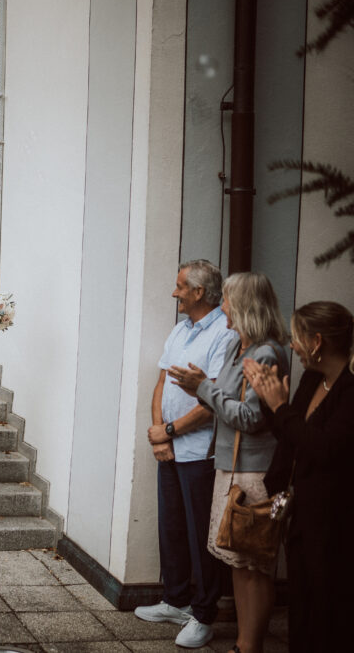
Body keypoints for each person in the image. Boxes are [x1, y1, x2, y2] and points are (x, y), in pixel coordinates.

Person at [168, 272, 288, 653]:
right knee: (237, 560)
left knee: (253, 564)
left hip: (253, 472)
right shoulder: (243, 348)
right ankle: (242, 643)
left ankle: (249, 645)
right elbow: (231, 402)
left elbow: (252, 418)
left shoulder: (266, 353)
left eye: (227, 301)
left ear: (246, 306)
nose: (222, 308)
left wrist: (202, 388)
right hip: (232, 466)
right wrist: (205, 384)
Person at [133, 260, 235, 648]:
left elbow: (213, 401)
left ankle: (204, 614)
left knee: (200, 536)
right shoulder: (180, 329)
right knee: (171, 527)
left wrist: (172, 431)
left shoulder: (224, 334)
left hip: (199, 451)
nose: (174, 293)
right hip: (171, 449)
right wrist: (160, 437)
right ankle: (175, 600)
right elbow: (161, 381)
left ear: (197, 292)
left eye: (179, 287)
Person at [244, 301, 354, 652]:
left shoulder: (349, 392)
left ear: (317, 342)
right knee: (301, 607)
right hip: (303, 514)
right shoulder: (312, 379)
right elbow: (291, 438)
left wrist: (280, 407)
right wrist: (267, 399)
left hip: (336, 522)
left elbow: (323, 448)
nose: (292, 345)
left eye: (297, 338)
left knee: (328, 610)